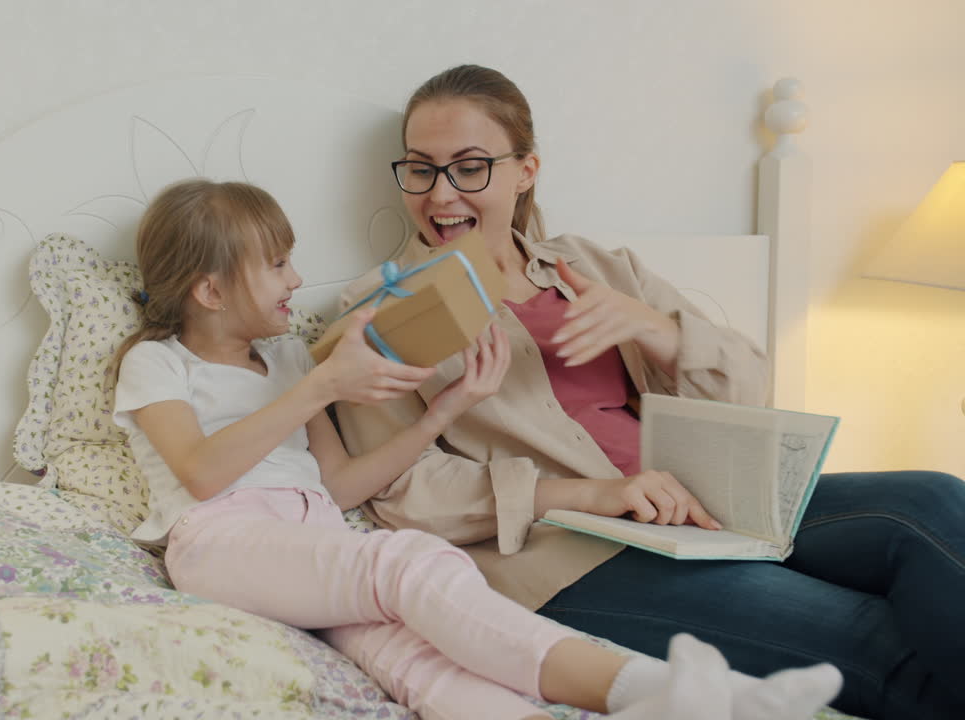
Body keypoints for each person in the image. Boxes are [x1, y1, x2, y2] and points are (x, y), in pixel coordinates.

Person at [334, 64, 965, 720]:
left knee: (931, 499)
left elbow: (751, 389)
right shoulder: (379, 316)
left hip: (702, 502)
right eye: (421, 169)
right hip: (575, 556)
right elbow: (400, 494)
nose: (441, 194)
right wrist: (587, 494)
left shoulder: (597, 267)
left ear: (526, 171)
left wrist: (658, 331)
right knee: (875, 637)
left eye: (469, 167)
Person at [110, 178, 840, 720]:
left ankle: (672, 708)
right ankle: (667, 689)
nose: (295, 280)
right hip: (222, 541)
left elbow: (339, 488)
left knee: (417, 660)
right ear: (210, 291)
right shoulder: (157, 362)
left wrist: (445, 411)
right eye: (276, 265)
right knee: (409, 563)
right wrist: (322, 384)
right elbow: (200, 473)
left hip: (315, 536)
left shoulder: (290, 361)